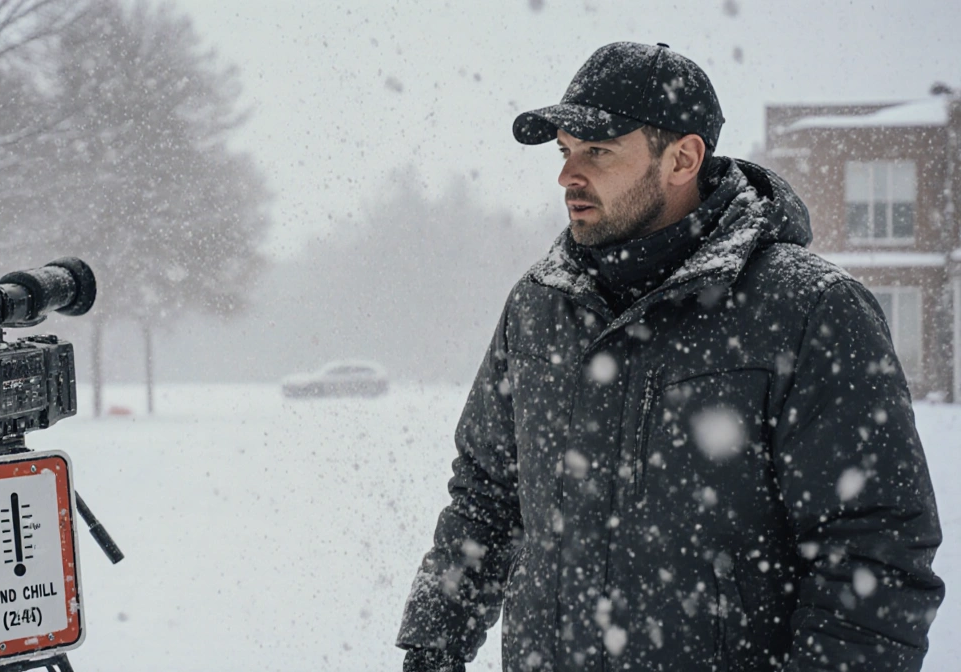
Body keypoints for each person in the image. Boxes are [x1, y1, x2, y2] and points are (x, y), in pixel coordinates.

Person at [396, 42, 945, 672]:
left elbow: (875, 554)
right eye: (565, 151)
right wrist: (432, 647)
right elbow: (486, 497)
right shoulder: (538, 305)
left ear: (683, 158)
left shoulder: (809, 310)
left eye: (597, 151)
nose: (568, 175)